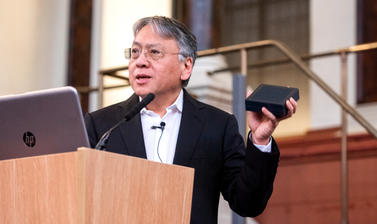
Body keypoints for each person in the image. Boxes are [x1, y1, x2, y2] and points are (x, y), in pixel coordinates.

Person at [84, 16, 297, 224]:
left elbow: (247, 204)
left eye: (154, 52)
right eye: (135, 52)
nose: (140, 62)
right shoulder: (102, 125)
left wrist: (260, 142)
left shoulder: (217, 125)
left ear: (186, 67)